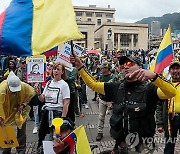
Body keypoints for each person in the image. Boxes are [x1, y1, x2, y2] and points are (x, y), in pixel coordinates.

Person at [70, 54, 176, 153]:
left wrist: (154, 77)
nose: (125, 67)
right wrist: (80, 65)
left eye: (129, 64)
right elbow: (93, 84)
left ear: (140, 67)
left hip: (143, 145)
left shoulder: (150, 88)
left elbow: (171, 92)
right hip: (121, 143)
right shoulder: (116, 87)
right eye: (123, 65)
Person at [35, 62, 70, 149]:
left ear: (62, 72)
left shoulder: (64, 85)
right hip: (46, 113)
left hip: (57, 114)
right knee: (41, 134)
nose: (55, 71)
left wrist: (63, 118)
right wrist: (39, 93)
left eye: (58, 69)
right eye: (54, 69)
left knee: (54, 137)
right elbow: (42, 99)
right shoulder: (49, 83)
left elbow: (66, 102)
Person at [0, 71, 35, 154]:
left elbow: (32, 93)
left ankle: (21, 151)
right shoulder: (2, 90)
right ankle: (6, 151)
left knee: (21, 132)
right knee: (6, 133)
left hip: (20, 112)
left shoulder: (23, 86)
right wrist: (0, 117)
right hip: (6, 114)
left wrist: (23, 105)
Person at [156, 60, 180, 154]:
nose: (175, 71)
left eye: (178, 68)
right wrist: (159, 124)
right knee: (169, 145)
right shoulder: (165, 85)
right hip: (170, 119)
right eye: (173, 69)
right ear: (169, 71)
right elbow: (159, 106)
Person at [96, 61, 115, 141]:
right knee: (101, 117)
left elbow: (116, 90)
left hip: (110, 101)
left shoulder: (114, 77)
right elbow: (98, 86)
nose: (101, 69)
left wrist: (113, 102)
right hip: (102, 100)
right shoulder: (101, 77)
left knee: (113, 117)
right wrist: (98, 96)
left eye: (102, 68)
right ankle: (99, 132)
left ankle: (114, 131)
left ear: (107, 69)